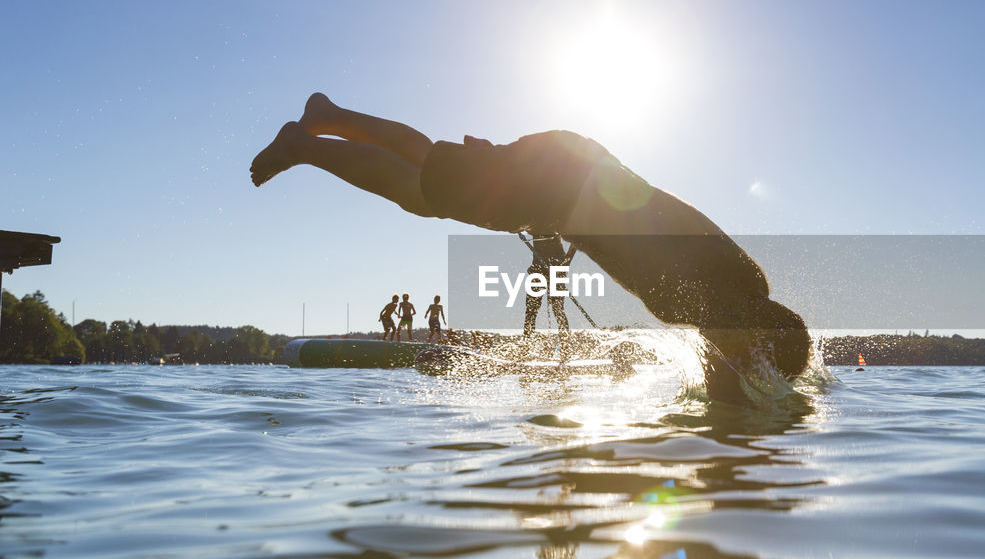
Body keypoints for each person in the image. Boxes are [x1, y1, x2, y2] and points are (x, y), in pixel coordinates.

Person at [250, 93, 810, 402]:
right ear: (756, 333)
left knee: (430, 166)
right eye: (752, 360)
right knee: (420, 192)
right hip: (560, 186)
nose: (740, 366)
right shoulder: (710, 299)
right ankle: (306, 144)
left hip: (573, 171)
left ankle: (329, 117)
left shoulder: (738, 284)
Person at [523, 235, 574, 341]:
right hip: (538, 267)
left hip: (557, 267)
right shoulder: (533, 220)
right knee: (531, 309)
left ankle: (565, 348)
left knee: (558, 309)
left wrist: (565, 264)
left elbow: (578, 239)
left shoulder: (558, 221)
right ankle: (526, 345)